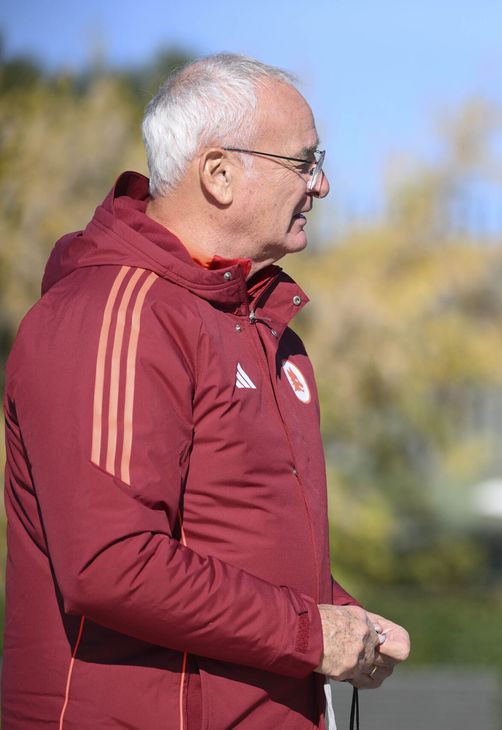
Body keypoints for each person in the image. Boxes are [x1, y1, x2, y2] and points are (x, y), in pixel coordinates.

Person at [2, 53, 409, 728]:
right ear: (219, 173)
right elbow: (110, 561)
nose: (324, 185)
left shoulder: (265, 332)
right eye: (305, 161)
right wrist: (312, 634)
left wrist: (340, 619)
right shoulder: (116, 312)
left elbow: (236, 548)